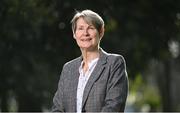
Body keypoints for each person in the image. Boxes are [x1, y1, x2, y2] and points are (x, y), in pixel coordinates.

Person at [52, 9, 128, 112]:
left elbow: (113, 107)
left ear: (101, 32)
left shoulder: (114, 63)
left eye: (91, 28)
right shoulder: (68, 69)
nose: (85, 33)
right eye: (80, 28)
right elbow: (57, 108)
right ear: (74, 34)